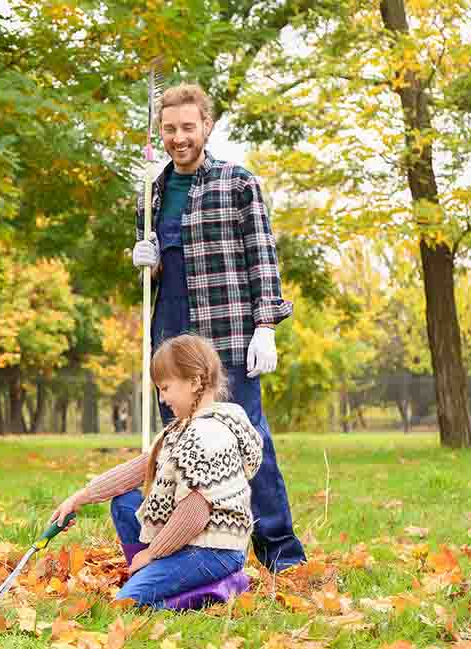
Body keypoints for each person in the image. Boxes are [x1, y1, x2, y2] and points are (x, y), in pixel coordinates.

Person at [130, 83, 305, 572]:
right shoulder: (152, 190)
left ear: (206, 126)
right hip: (172, 331)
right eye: (169, 128)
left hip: (227, 334)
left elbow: (262, 258)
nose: (178, 137)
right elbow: (162, 267)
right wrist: (147, 261)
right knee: (179, 449)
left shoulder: (238, 183)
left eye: (188, 127)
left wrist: (266, 325)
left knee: (249, 443)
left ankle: (281, 556)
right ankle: (188, 550)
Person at [50, 335, 262, 607]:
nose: (162, 399)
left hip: (213, 550)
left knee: (128, 601)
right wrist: (79, 498)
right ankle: (157, 576)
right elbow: (138, 469)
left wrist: (151, 554)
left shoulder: (207, 436)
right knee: (125, 502)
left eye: (165, 388)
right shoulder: (182, 429)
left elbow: (194, 515)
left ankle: (218, 588)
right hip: (186, 542)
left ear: (195, 382)